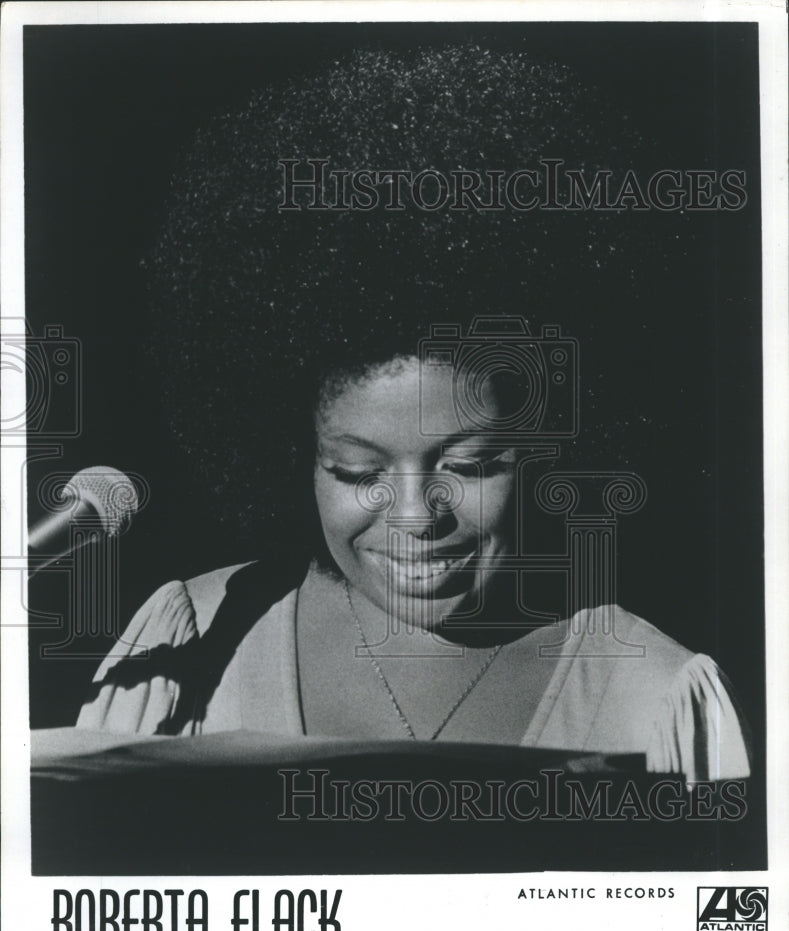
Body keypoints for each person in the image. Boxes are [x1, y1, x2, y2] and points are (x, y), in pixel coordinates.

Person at [76, 44, 751, 782]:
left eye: (469, 464)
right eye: (355, 470)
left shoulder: (652, 697)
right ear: (293, 456)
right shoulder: (192, 642)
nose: (413, 516)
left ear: (552, 447)